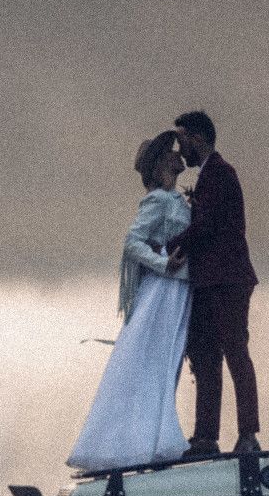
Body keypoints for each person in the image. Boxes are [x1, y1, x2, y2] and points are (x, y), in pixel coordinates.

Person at [66, 131, 192, 471]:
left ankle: (153, 436)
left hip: (177, 291)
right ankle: (142, 440)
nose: (178, 154)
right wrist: (165, 263)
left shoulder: (175, 199)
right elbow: (132, 242)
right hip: (164, 293)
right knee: (153, 362)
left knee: (165, 362)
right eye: (170, 152)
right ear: (162, 162)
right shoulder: (158, 202)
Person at [167, 109, 260, 457]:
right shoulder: (213, 175)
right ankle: (206, 436)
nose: (180, 147)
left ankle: (248, 433)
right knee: (206, 358)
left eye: (182, 139)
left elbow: (206, 225)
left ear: (198, 137)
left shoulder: (221, 174)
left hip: (227, 281)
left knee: (235, 352)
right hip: (208, 282)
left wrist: (172, 245)